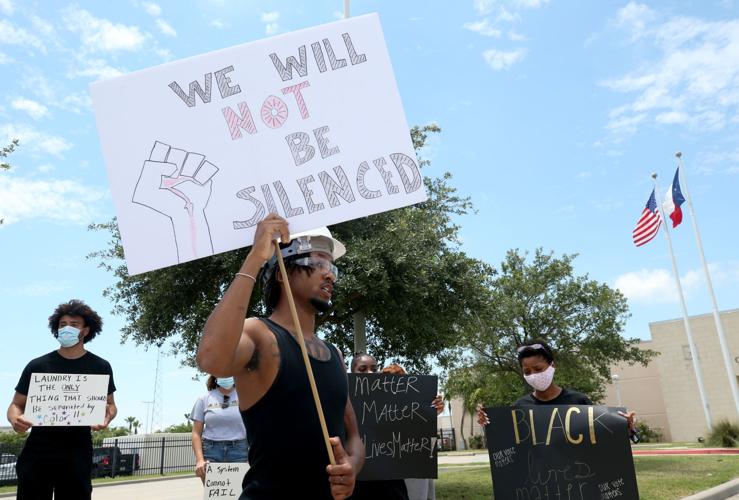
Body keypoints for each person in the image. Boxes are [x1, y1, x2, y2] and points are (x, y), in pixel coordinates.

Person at [197, 214, 364, 500]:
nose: (329, 274)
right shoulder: (259, 334)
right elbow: (211, 358)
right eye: (318, 264)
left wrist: (352, 466)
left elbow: (354, 437)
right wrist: (254, 258)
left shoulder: (334, 354)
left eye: (332, 267)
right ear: (280, 273)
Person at [7, 299, 117, 500]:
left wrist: (106, 418)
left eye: (74, 325)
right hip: (38, 448)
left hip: (78, 449)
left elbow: (110, 405)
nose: (66, 328)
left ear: (86, 331)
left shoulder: (100, 367)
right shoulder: (37, 365)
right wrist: (15, 420)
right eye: (62, 324)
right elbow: (16, 404)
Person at [476, 339, 637, 441]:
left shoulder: (579, 401)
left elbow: (600, 437)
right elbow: (509, 446)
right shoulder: (520, 407)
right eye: (527, 372)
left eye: (538, 369)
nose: (533, 375)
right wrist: (489, 427)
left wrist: (627, 428)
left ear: (552, 366)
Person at [191, 375, 248, 483]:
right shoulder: (203, 399)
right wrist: (199, 460)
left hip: (239, 451)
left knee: (239, 493)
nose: (226, 375)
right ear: (215, 375)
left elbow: (253, 429)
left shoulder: (246, 396)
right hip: (211, 451)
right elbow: (196, 433)